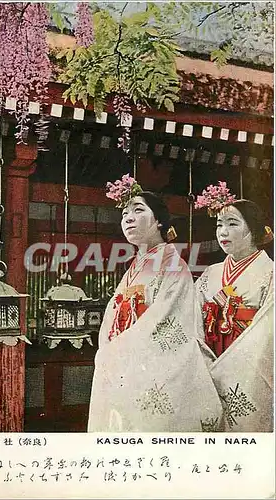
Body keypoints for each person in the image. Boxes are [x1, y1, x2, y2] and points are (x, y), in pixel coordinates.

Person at [88, 175, 223, 432]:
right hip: (125, 359)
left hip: (153, 364)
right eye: (125, 213)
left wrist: (117, 349)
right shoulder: (135, 266)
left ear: (159, 221)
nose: (128, 218)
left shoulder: (173, 264)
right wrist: (109, 348)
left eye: (138, 210)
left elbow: (167, 321)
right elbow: (112, 316)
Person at [195, 196, 274, 432]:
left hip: (250, 366)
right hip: (209, 360)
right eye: (219, 224)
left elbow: (268, 330)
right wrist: (205, 360)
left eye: (232, 223)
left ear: (253, 229)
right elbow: (194, 320)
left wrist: (232, 365)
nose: (223, 232)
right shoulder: (211, 272)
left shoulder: (270, 274)